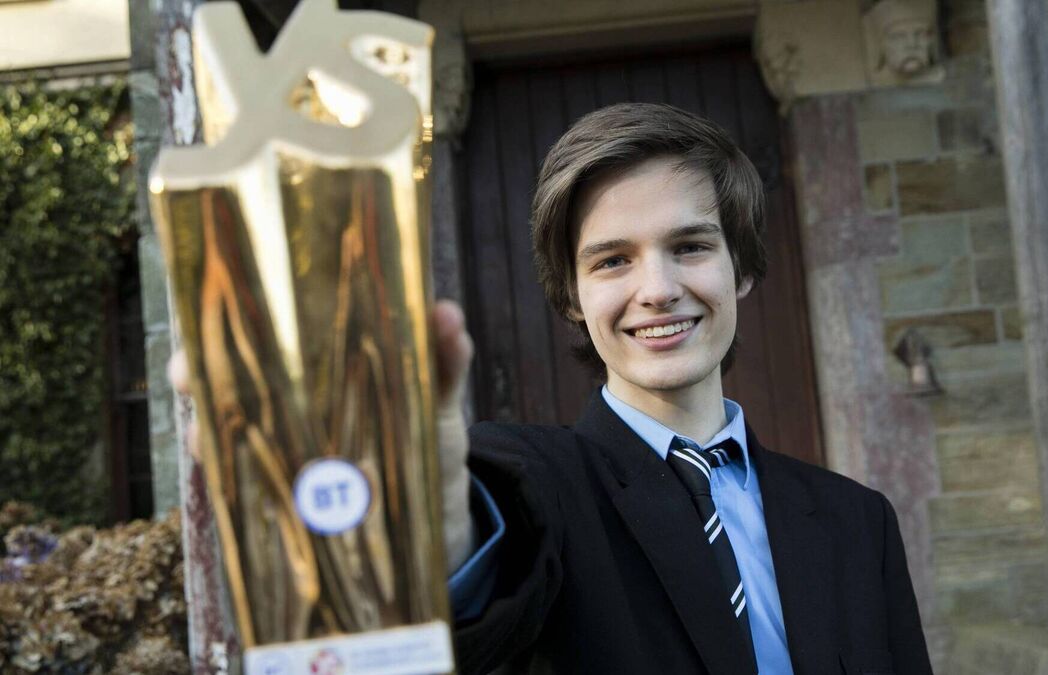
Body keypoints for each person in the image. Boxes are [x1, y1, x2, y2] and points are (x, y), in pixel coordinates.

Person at [173, 103, 932, 675]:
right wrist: (423, 526)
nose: (657, 288)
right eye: (612, 261)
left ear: (742, 269)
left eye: (690, 246)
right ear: (571, 296)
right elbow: (473, 594)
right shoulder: (536, 486)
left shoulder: (857, 521)